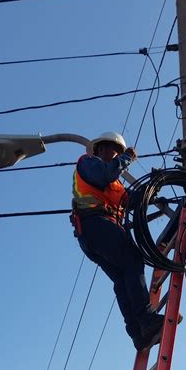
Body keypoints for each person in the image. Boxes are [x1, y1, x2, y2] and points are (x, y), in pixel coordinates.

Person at [71, 131, 165, 350]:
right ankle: (146, 319)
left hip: (96, 233)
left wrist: (153, 186)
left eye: (119, 153)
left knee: (123, 278)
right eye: (115, 151)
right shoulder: (88, 164)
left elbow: (130, 201)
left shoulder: (114, 185)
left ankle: (137, 332)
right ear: (101, 148)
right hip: (95, 225)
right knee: (132, 261)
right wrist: (128, 158)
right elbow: (105, 174)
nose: (117, 157)